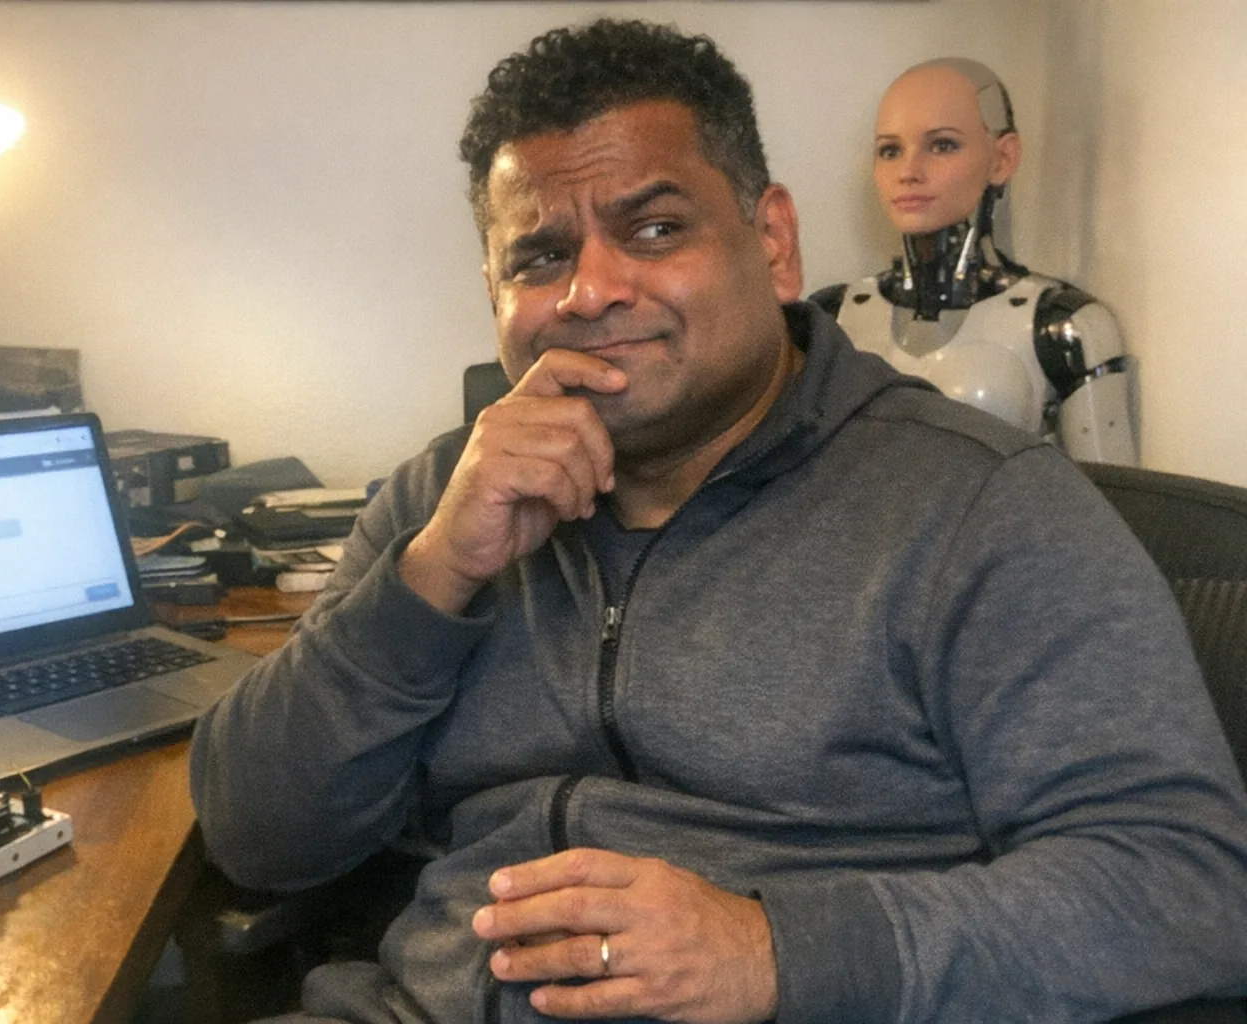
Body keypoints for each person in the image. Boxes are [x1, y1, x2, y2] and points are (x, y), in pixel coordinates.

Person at [190, 19, 1247, 1023]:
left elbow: (1188, 880)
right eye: (540, 256)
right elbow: (255, 838)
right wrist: (430, 578)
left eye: (656, 228)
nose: (593, 289)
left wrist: (775, 950)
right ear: (495, 290)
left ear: (773, 241)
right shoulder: (441, 499)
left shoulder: (979, 505)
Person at [811, 59, 1139, 465]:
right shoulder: (831, 318)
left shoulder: (1063, 328)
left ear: (1002, 158)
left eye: (943, 144)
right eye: (890, 150)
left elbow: (1114, 504)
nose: (909, 171)